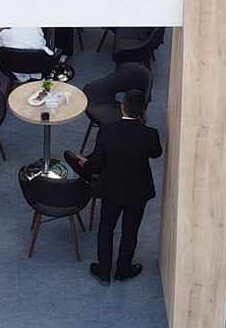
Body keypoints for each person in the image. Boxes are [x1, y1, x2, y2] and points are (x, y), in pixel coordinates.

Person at [66, 89, 161, 284]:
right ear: (143, 111)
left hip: (112, 188)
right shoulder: (150, 134)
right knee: (130, 231)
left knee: (106, 228)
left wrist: (85, 163)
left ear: (122, 107)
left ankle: (104, 270)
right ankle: (123, 270)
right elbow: (156, 153)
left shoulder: (107, 131)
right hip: (138, 190)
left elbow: (96, 164)